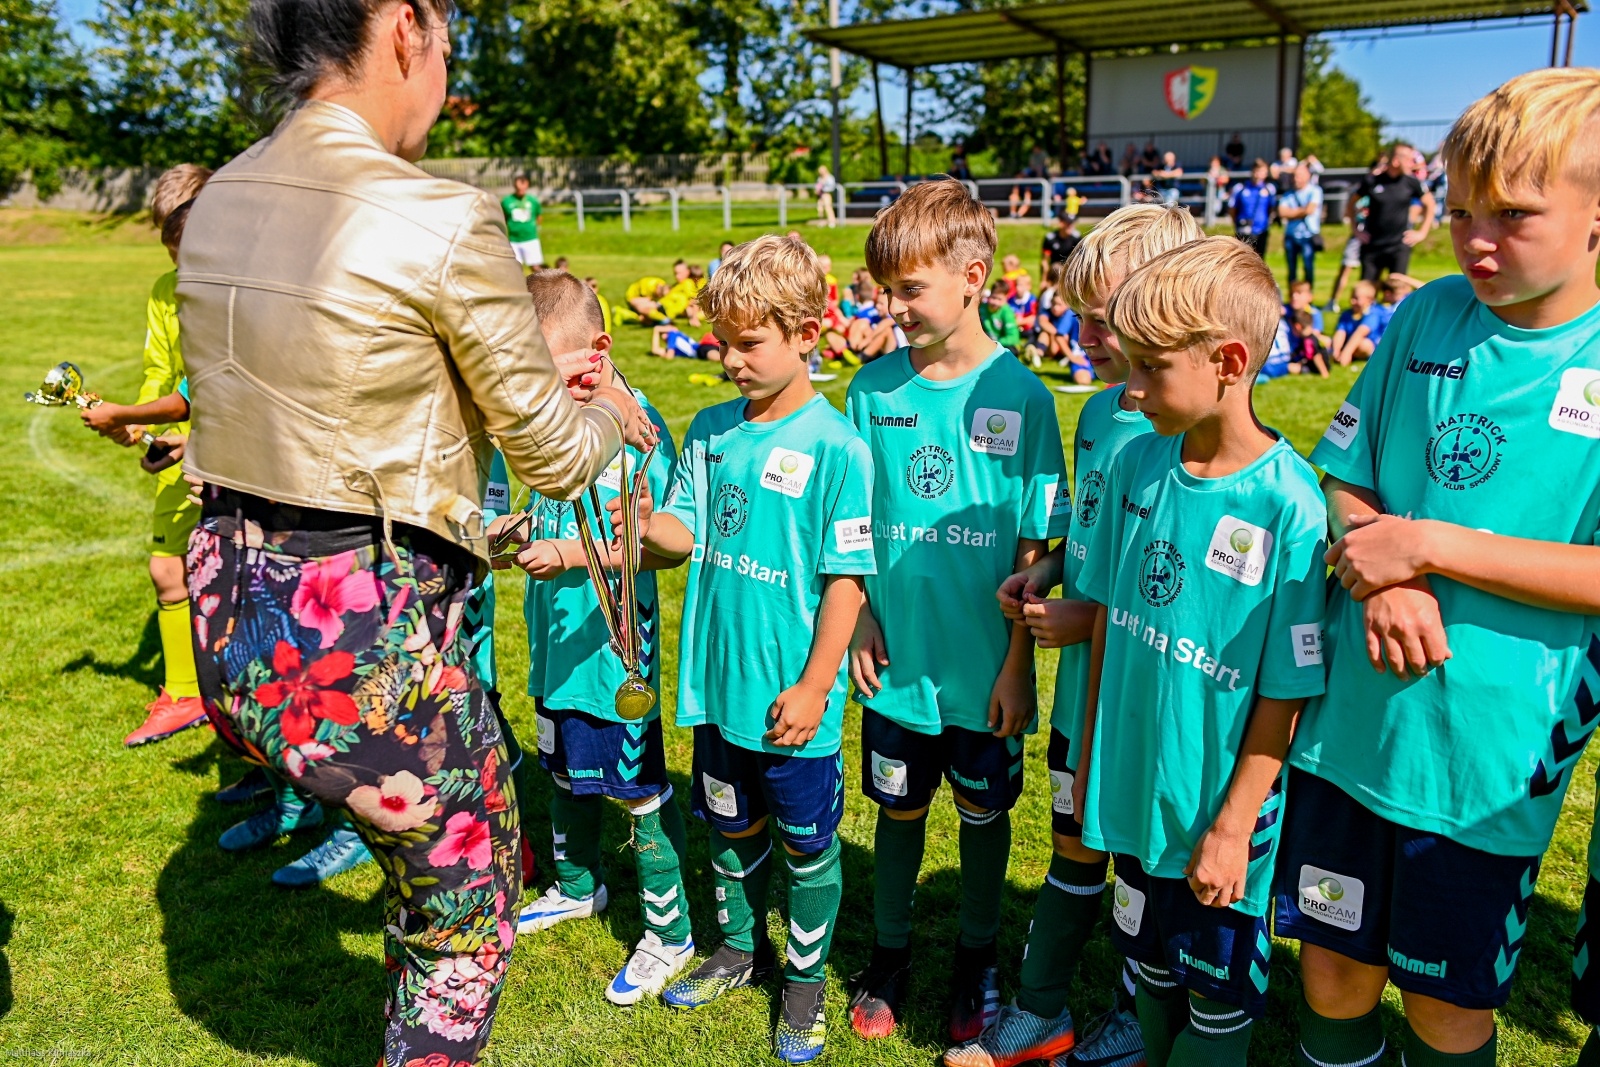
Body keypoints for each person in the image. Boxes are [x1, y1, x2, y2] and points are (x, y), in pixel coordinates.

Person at [177, 0, 656, 1058]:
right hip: (363, 643)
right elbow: (551, 454)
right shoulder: (439, 215)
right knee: (463, 927)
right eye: (446, 38)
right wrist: (613, 416)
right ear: (407, 26)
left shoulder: (218, 198)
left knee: (419, 865)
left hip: (233, 616)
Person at [1276, 68, 1600, 1067]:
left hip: (1485, 756)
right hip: (1352, 726)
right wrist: (1388, 572)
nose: (1475, 240)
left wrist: (1428, 545)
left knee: (1443, 1008)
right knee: (1331, 970)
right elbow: (1344, 474)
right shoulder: (1428, 315)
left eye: (1513, 215)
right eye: (1459, 212)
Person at [1080, 236, 1327, 1066]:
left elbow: (1286, 692)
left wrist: (1232, 824)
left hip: (1216, 817)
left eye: (1150, 368)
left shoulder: (1289, 507)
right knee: (1149, 971)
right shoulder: (1135, 464)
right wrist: (1094, 761)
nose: (1131, 388)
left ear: (1228, 361)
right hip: (1130, 795)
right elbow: (1110, 621)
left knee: (1215, 1005)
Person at [628, 235, 873, 1064]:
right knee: (730, 829)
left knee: (807, 845)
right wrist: (641, 523)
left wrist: (815, 684)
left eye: (748, 342)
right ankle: (739, 949)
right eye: (722, 342)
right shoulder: (709, 431)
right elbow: (681, 531)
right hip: (717, 683)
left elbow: (846, 581)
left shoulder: (839, 448)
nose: (730, 359)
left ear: (807, 333)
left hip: (792, 699)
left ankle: (804, 987)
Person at [975, 203, 1204, 1067]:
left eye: (1102, 319)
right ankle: (1042, 1008)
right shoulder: (1102, 414)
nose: (1085, 336)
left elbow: (1190, 596)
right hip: (1084, 697)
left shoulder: (1194, 432)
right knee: (1072, 843)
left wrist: (1091, 618)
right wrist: (1049, 568)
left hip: (1151, 704)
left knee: (1146, 864)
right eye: (1079, 316)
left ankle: (1140, 1014)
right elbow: (1093, 532)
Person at [843, 179, 1071, 1043]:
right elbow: (850, 521)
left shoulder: (1024, 397)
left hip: (984, 669)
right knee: (897, 808)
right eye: (884, 291)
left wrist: (1018, 662)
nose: (893, 308)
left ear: (974, 277)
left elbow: (1035, 545)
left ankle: (978, 956)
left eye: (909, 288)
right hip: (896, 660)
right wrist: (859, 615)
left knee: (984, 813)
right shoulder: (871, 391)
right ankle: (890, 952)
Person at [504, 270, 693, 1005]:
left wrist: (569, 555)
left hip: (614, 657)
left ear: (598, 349)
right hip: (556, 648)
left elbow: (661, 546)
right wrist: (519, 532)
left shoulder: (638, 428)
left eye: (551, 375)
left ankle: (670, 934)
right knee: (560, 767)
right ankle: (579, 886)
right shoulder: (560, 420)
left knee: (638, 791)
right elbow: (549, 506)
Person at [77, 164, 211, 749]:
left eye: (184, 247)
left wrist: (140, 415)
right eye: (168, 248)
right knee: (166, 570)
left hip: (228, 450)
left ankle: (225, 694)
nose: (177, 261)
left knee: (228, 574)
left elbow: (209, 382)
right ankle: (183, 693)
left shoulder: (228, 286)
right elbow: (163, 371)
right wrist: (136, 421)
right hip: (179, 450)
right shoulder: (164, 292)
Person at [1352, 142, 1435, 282]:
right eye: (1409, 160)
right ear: (1396, 160)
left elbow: (1430, 204)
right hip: (1372, 245)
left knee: (1397, 287)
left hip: (1398, 246)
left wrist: (1422, 232)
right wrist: (1356, 230)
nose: (1412, 164)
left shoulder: (1411, 183)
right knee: (1366, 288)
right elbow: (1351, 203)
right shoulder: (1372, 181)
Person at [1278, 163, 1324, 287]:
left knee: (1308, 267)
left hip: (1307, 235)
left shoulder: (1315, 191)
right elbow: (1282, 212)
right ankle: (1293, 294)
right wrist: (1302, 211)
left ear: (1307, 176)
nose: (1295, 179)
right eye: (1294, 176)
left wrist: (1291, 213)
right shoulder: (1288, 194)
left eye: (1298, 176)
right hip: (1291, 235)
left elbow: (1310, 210)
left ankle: (1308, 294)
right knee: (1291, 269)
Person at [1330, 280, 1390, 366]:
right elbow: (1340, 331)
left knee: (1363, 344)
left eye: (1356, 298)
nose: (1352, 301)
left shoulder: (1373, 313)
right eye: (1352, 297)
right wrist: (1336, 351)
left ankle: (1349, 355)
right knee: (1327, 341)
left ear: (1369, 300)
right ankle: (1337, 354)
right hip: (1349, 342)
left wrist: (1346, 353)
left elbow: (1360, 332)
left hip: (1371, 345)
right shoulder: (1347, 313)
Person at [1227, 159, 1276, 258]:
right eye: (1256, 171)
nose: (1258, 174)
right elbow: (1232, 208)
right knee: (1242, 258)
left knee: (1260, 259)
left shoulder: (1269, 189)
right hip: (1243, 229)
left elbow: (1272, 208)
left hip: (1261, 230)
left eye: (1261, 171)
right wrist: (1236, 222)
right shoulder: (1240, 188)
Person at [502, 173, 543, 268]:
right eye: (519, 188)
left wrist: (532, 227)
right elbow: (504, 218)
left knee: (535, 267)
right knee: (515, 267)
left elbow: (538, 217)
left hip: (530, 238)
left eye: (524, 188)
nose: (521, 190)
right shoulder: (506, 201)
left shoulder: (533, 201)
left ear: (527, 186)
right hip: (514, 240)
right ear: (515, 186)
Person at [980, 283, 1027, 364]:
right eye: (993, 298)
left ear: (1005, 299)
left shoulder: (1007, 312)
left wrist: (995, 343)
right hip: (985, 342)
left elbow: (1013, 338)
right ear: (989, 295)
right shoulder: (981, 308)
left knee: (1010, 352)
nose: (995, 302)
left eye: (999, 299)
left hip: (1001, 343)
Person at [1041, 214, 1082, 283]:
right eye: (1068, 224)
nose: (1071, 226)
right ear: (1061, 223)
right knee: (1056, 268)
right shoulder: (1050, 239)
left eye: (1072, 223)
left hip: (1070, 271)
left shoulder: (1077, 239)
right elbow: (1045, 261)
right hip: (1054, 272)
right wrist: (1044, 280)